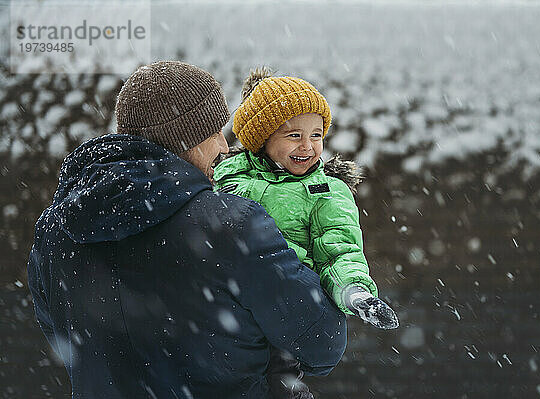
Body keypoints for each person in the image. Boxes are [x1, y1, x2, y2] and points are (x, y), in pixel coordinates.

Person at [27, 61, 347, 399]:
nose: (225, 147)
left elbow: (64, 342)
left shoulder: (55, 231)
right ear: (187, 140)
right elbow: (322, 342)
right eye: (214, 133)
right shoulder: (230, 225)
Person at [212, 68, 398, 397]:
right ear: (262, 138)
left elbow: (339, 249)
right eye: (294, 135)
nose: (309, 146)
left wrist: (356, 294)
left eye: (316, 135)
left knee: (275, 375)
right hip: (223, 303)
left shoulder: (326, 190)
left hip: (283, 304)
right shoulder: (227, 175)